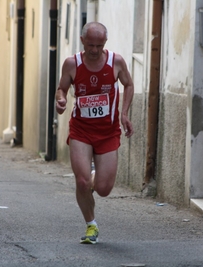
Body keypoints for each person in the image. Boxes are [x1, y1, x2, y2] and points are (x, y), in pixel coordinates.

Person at [55, 22, 134, 244]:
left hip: (108, 133)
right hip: (81, 130)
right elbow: (61, 88)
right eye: (90, 45)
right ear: (82, 42)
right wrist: (60, 100)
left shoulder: (115, 62)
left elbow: (128, 84)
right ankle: (91, 226)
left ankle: (92, 176)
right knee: (81, 182)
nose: (94, 50)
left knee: (103, 189)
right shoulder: (72, 63)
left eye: (99, 45)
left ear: (104, 44)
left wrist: (124, 113)